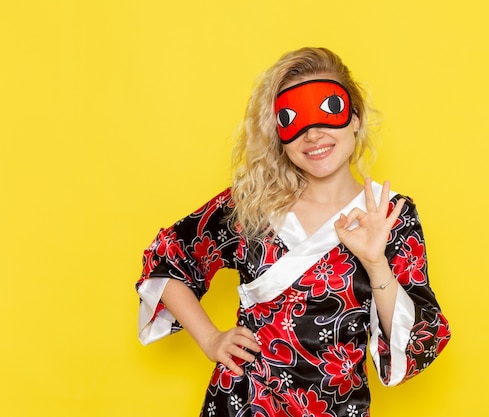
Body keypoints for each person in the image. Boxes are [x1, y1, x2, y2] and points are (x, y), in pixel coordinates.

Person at [136, 47, 450, 417]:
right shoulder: (252, 203)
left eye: (327, 111)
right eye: (293, 119)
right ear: (279, 134)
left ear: (355, 118)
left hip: (337, 407)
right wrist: (210, 338)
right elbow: (169, 255)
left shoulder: (390, 213)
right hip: (241, 403)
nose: (313, 134)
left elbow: (418, 342)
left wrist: (375, 263)